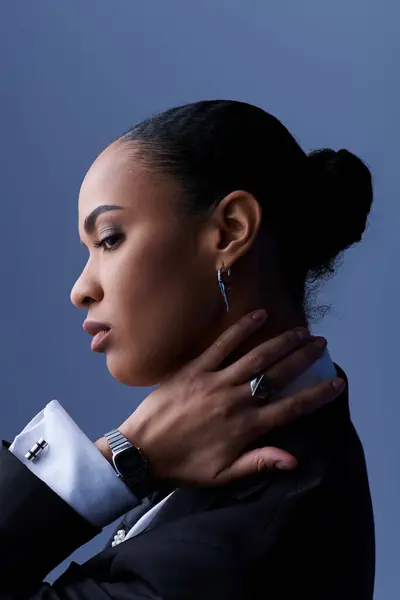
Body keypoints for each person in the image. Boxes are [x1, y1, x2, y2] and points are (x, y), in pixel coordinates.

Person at [0, 100, 374, 599]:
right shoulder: (222, 462)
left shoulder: (262, 531)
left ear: (230, 230)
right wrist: (132, 458)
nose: (80, 289)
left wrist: (126, 456)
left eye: (110, 239)